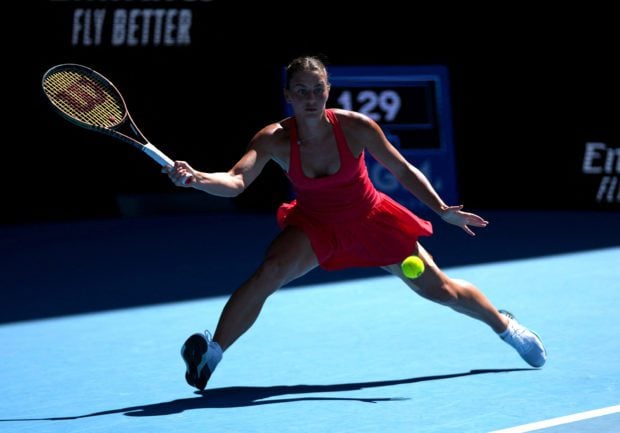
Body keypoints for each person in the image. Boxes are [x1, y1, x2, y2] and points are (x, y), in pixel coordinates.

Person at [165, 55, 547, 391]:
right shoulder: (273, 139)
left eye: (318, 90)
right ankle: (211, 354)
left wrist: (441, 208)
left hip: (372, 219)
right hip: (315, 225)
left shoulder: (356, 127)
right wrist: (197, 177)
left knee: (440, 290)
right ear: (288, 95)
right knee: (271, 270)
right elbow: (235, 183)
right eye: (302, 91)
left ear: (328, 91)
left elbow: (401, 168)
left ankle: (505, 326)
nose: (311, 99)